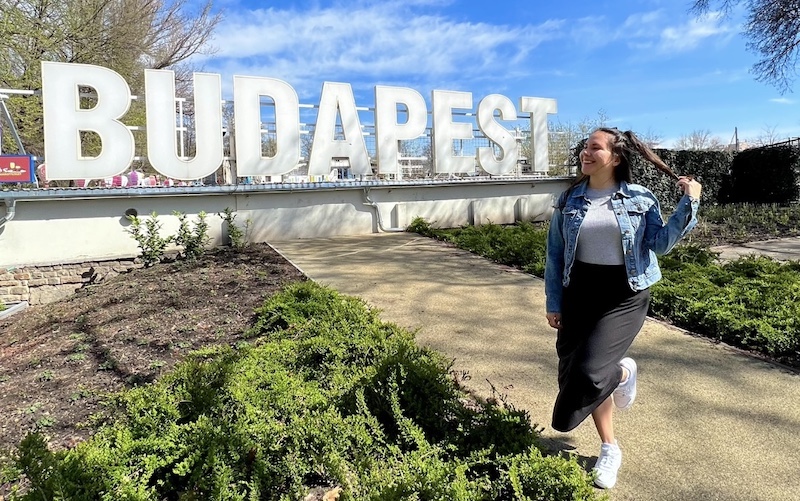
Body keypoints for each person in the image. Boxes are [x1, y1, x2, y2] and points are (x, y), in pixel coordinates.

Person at [544, 128, 702, 489]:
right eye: (585, 147)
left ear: (615, 157)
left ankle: (623, 374)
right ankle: (610, 447)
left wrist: (689, 203)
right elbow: (554, 255)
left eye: (594, 148)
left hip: (623, 295)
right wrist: (554, 302)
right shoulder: (569, 199)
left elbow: (659, 245)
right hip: (578, 292)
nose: (586, 153)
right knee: (577, 381)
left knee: (590, 375)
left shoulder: (639, 198)